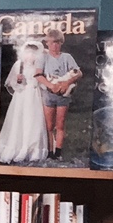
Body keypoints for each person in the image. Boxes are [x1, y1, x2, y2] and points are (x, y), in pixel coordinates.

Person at [0, 39, 50, 165]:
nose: (30, 56)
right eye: (28, 53)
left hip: (34, 96)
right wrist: (18, 80)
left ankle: (32, 149)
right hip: (21, 96)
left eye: (33, 53)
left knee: (33, 121)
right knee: (19, 120)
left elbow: (43, 81)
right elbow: (12, 83)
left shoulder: (39, 66)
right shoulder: (19, 65)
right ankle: (16, 147)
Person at [37, 26, 82, 160]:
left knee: (60, 124)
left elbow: (78, 72)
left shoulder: (67, 57)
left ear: (61, 43)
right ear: (47, 43)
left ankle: (58, 152)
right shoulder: (43, 58)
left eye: (57, 42)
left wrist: (66, 83)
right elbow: (38, 75)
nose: (54, 45)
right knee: (49, 125)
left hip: (63, 94)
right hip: (49, 94)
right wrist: (51, 85)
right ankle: (49, 151)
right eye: (52, 42)